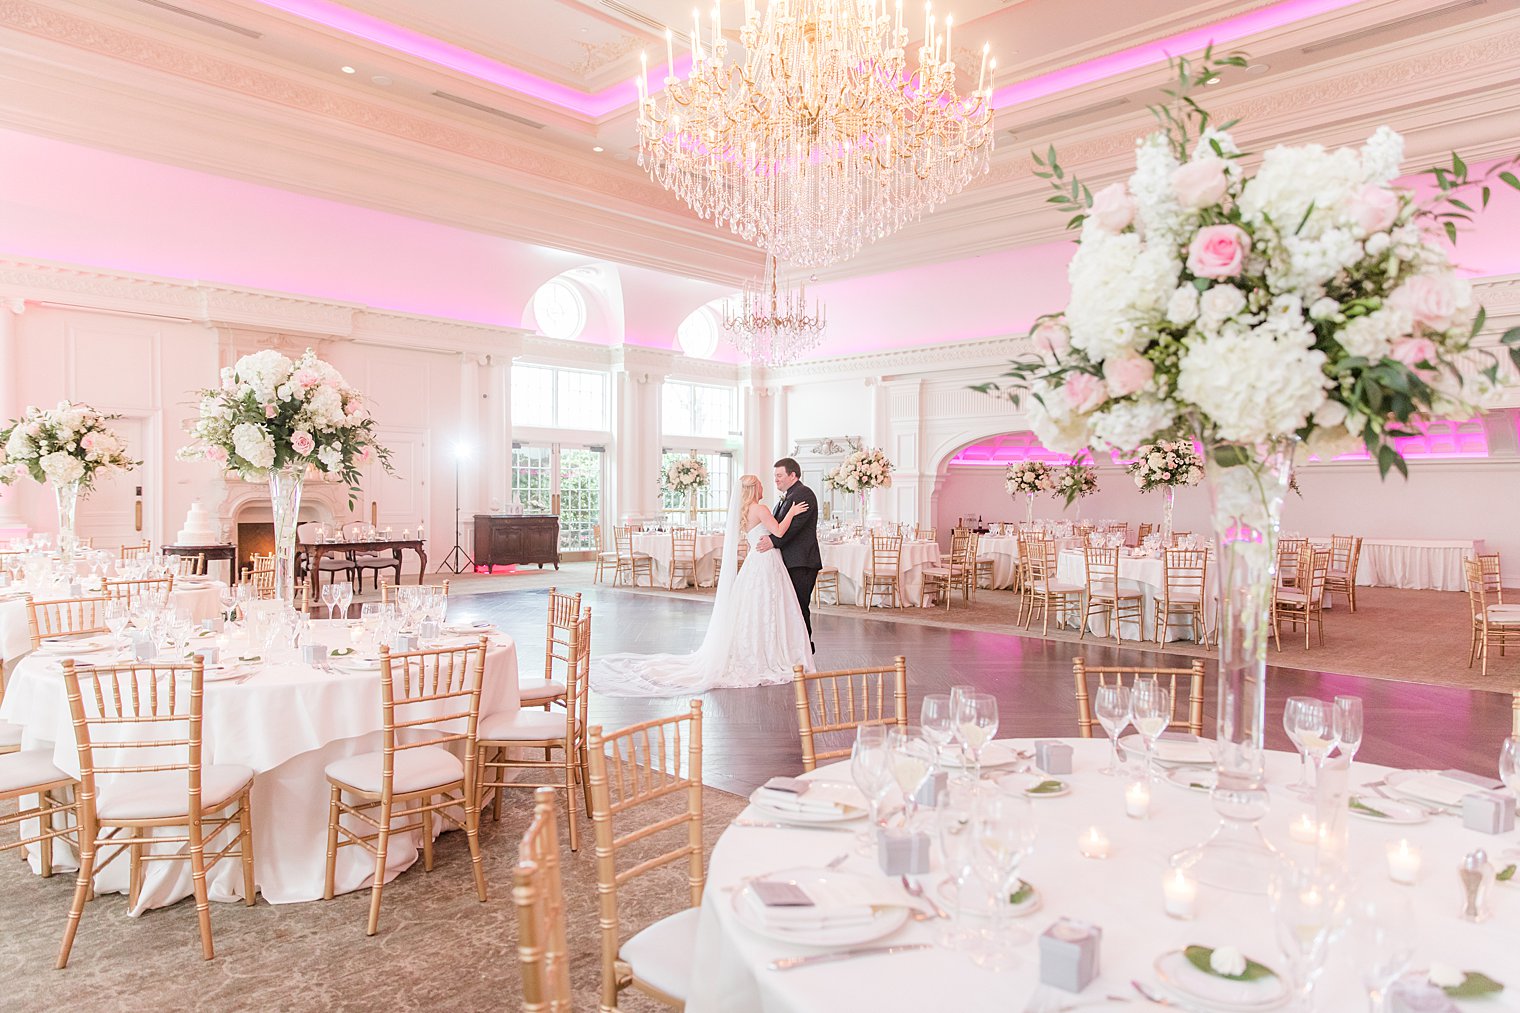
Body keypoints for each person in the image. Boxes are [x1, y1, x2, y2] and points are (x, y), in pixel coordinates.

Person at [591, 473, 816, 697]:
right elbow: (778, 531)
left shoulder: (743, 511)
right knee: (769, 605)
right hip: (766, 562)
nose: (764, 485)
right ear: (754, 488)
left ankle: (758, 650)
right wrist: (792, 513)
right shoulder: (761, 508)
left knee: (752, 608)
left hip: (754, 562)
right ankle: (772, 651)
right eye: (760, 483)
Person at [754, 457, 822, 653]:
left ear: (793, 475)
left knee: (799, 606)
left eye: (779, 475)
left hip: (801, 562)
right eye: (775, 476)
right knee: (791, 607)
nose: (776, 480)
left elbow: (795, 527)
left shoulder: (804, 494)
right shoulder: (788, 495)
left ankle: (805, 649)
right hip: (789, 561)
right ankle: (794, 648)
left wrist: (773, 542)